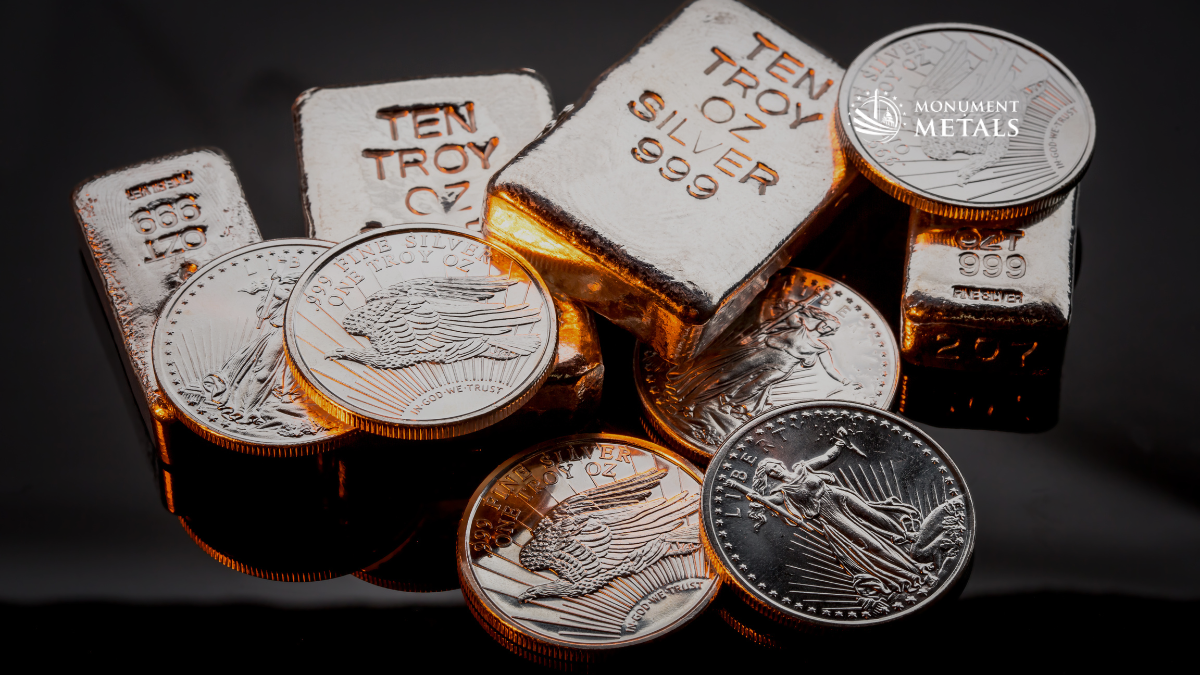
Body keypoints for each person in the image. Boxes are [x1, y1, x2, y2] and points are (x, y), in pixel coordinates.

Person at [667, 301, 861, 444]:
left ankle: (727, 407)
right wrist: (795, 305)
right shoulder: (799, 326)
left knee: (755, 387)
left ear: (830, 332)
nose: (825, 327)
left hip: (782, 367)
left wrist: (844, 381)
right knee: (726, 376)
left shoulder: (820, 347)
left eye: (829, 328)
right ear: (821, 321)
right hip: (764, 354)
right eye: (825, 322)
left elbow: (829, 368)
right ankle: (691, 402)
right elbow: (787, 311)